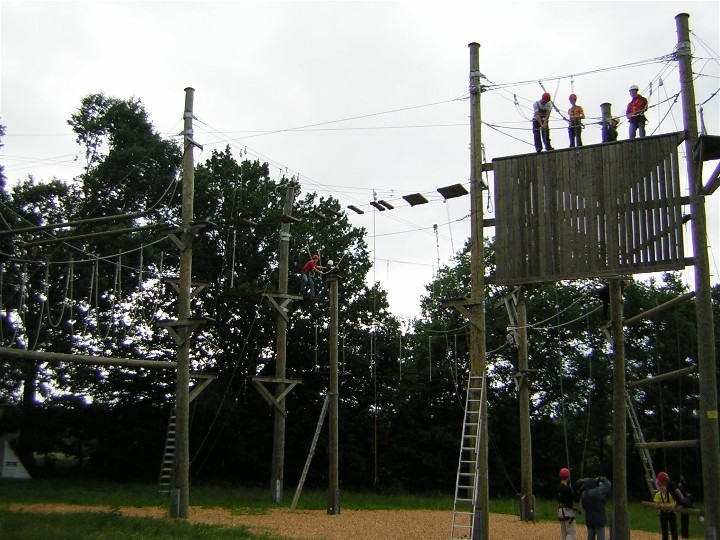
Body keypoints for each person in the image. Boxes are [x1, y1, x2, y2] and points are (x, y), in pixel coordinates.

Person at [579, 476, 611, 540]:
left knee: (590, 537)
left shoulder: (584, 494)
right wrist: (600, 478)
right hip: (599, 520)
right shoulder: (597, 491)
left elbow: (584, 506)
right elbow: (608, 484)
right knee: (601, 537)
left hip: (589, 520)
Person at [557, 467, 580, 540]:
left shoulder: (558, 487)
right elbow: (576, 499)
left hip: (560, 511)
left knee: (564, 534)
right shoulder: (567, 489)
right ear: (568, 477)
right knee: (571, 534)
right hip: (567, 512)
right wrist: (577, 491)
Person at [654, 473, 679, 540]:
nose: (661, 487)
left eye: (663, 486)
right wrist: (660, 505)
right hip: (663, 513)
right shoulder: (658, 494)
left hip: (671, 513)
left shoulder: (671, 493)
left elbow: (676, 502)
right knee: (664, 530)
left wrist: (669, 505)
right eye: (660, 486)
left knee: (673, 529)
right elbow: (656, 505)